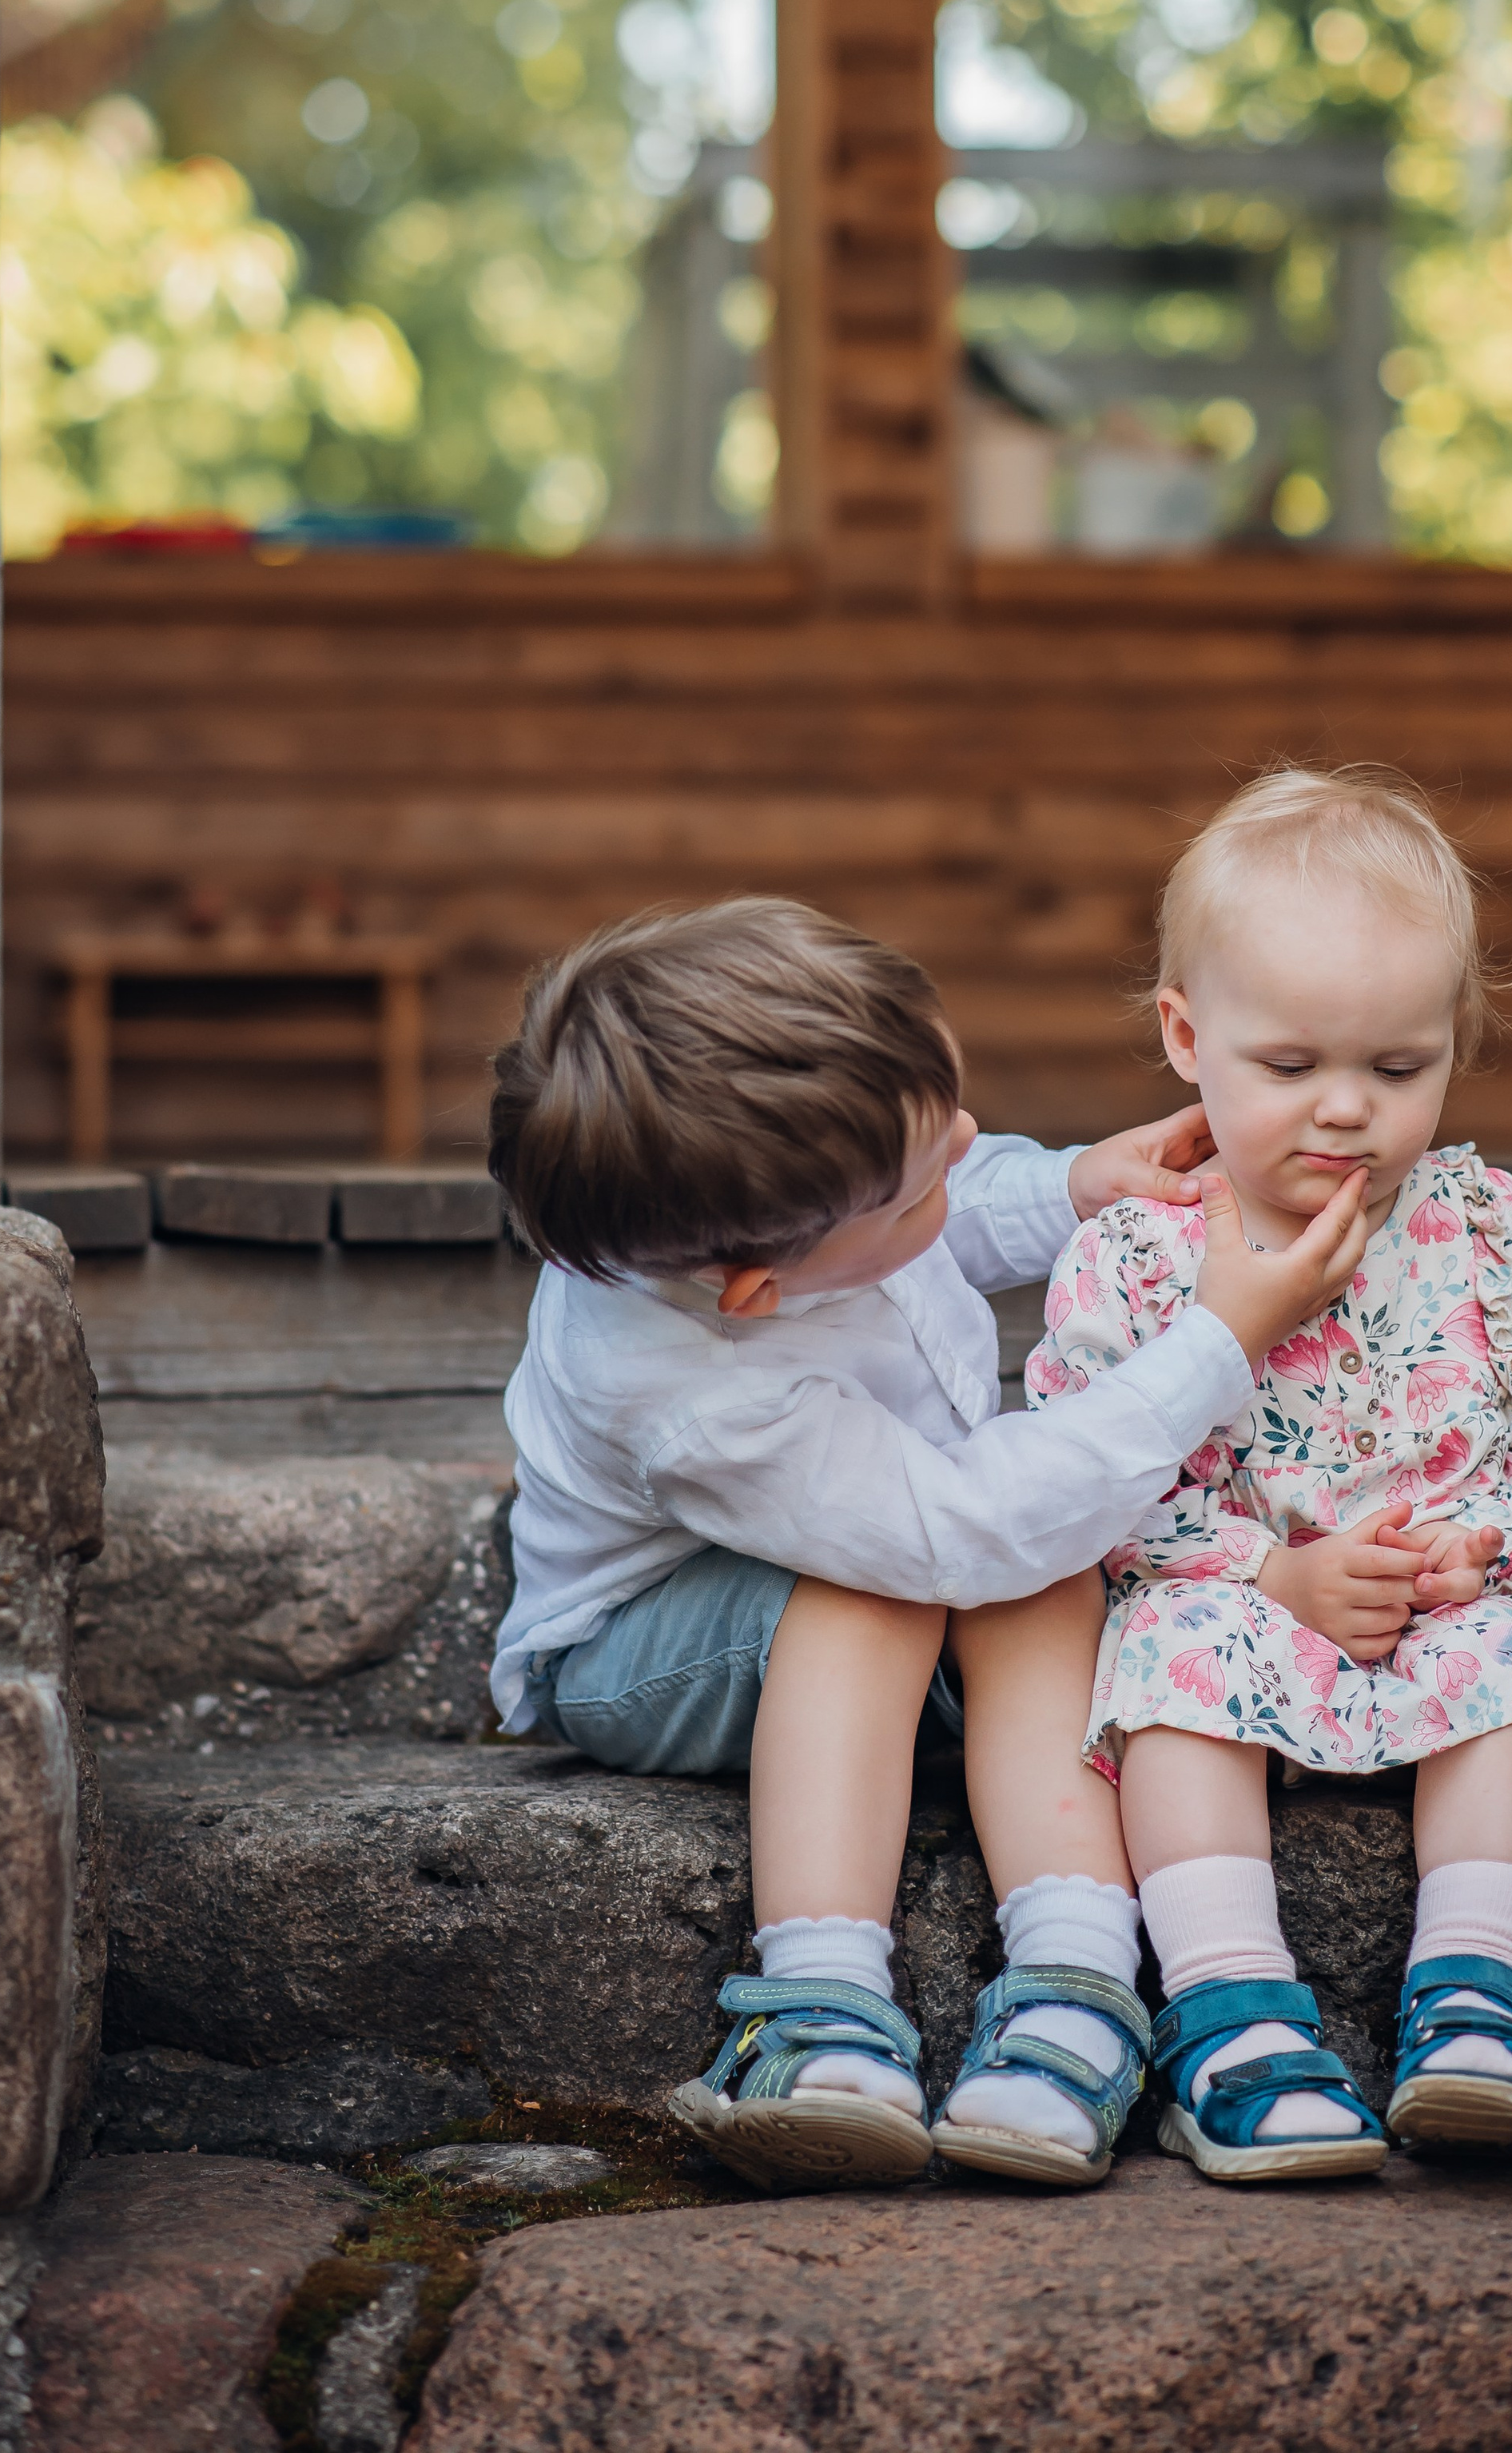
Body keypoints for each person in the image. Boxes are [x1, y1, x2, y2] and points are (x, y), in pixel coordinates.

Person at [486, 896, 1366, 2194]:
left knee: (1055, 1558)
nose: (967, 1140)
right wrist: (1215, 1345)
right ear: (758, 1292)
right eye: (932, 1166)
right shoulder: (690, 1386)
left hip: (906, 1528)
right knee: (891, 1590)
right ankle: (819, 2006)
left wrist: (1076, 1185)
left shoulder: (789, 1216)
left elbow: (924, 1224)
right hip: (636, 1647)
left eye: (946, 1114)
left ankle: (1072, 1980)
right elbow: (953, 1535)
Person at [1027, 766, 1512, 2183]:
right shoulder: (1142, 1252)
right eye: (1291, 1068)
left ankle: (1478, 2002)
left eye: (1399, 1070)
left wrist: (1479, 1550)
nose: (1347, 1115)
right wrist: (1269, 1572)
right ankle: (1231, 2016)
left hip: (1428, 1610)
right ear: (1187, 1037)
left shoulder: (1483, 1226)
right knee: (1170, 1672)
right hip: (1236, 1600)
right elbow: (1087, 1483)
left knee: (1505, 1657)